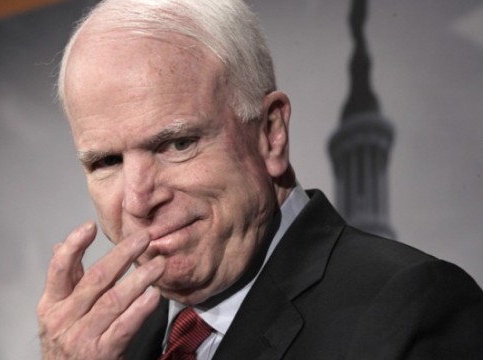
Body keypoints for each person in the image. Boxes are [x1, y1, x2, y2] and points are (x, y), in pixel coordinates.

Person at [37, 0, 483, 359]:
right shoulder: (111, 346)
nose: (137, 200)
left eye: (176, 144)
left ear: (271, 134)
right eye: (106, 161)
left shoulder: (410, 308)